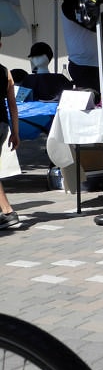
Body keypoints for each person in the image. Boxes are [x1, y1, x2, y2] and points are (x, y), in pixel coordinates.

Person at [0, 31, 20, 229]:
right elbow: (13, 106)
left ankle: (8, 212)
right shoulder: (5, 71)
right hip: (2, 125)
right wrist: (15, 132)